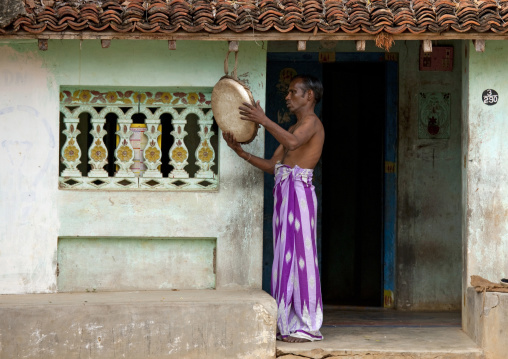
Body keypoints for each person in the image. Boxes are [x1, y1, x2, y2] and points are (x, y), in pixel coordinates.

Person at [223, 74, 325, 342]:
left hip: (300, 195)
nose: (288, 97)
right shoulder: (293, 128)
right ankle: (288, 323)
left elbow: (292, 146)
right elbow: (274, 166)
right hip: (285, 194)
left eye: (293, 92)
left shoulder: (312, 123)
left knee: (302, 258)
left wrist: (263, 119)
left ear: (309, 96)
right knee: (285, 259)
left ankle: (308, 325)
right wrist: (241, 153)